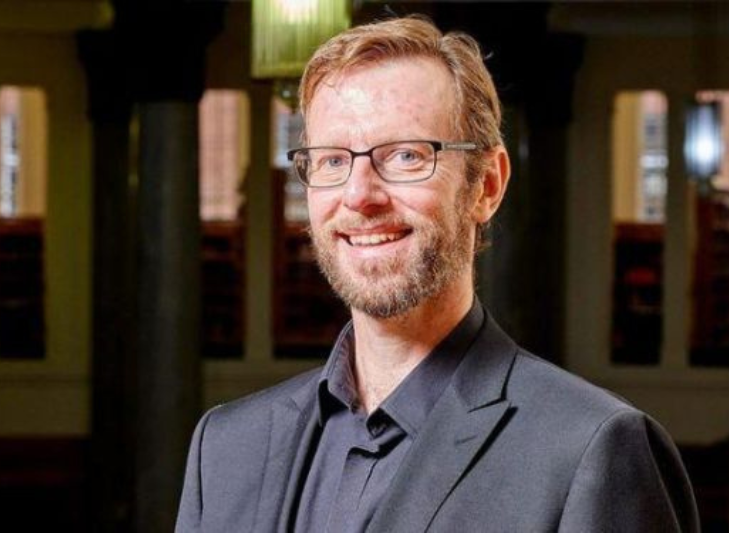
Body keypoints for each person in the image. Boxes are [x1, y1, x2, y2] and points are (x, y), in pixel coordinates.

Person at [176, 16, 699, 533]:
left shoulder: (592, 451)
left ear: (486, 186)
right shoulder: (224, 448)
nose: (359, 195)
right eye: (332, 161)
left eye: (405, 155)